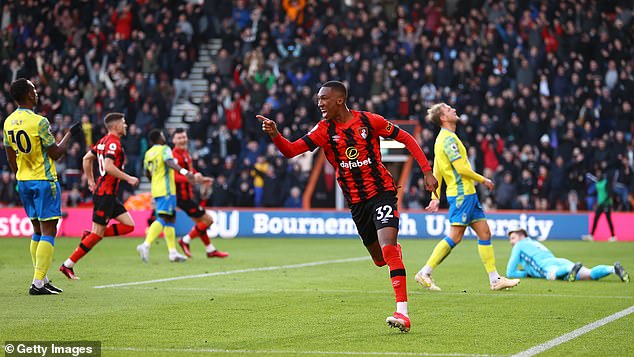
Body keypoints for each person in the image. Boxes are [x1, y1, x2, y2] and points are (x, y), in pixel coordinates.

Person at [258, 80, 438, 333]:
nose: (319, 103)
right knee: (379, 259)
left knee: (388, 250)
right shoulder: (323, 130)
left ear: (340, 99)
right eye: (318, 99)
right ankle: (392, 251)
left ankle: (403, 312)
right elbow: (291, 151)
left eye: (324, 98)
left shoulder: (369, 121)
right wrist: (275, 134)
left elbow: (406, 138)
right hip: (356, 202)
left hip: (382, 193)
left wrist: (427, 172)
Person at [416, 103, 520, 292]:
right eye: (448, 109)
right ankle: (425, 272)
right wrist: (484, 179)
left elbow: (437, 170)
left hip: (467, 194)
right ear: (443, 118)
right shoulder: (448, 140)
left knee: (484, 233)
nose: (454, 109)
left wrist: (435, 196)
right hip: (462, 194)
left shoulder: (443, 139)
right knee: (455, 237)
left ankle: (495, 279)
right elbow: (461, 169)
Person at [3, 78, 80, 295]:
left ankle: (42, 278)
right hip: (44, 181)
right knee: (49, 229)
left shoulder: (8, 122)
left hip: (24, 180)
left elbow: (10, 159)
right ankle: (37, 284)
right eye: (34, 90)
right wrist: (70, 134)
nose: (36, 93)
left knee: (36, 229)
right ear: (28, 94)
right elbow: (55, 153)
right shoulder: (40, 122)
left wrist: (22, 170)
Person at [59, 113, 140, 280]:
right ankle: (67, 265)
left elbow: (87, 158)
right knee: (97, 235)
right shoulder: (113, 143)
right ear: (116, 126)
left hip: (109, 194)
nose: (125, 126)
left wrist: (90, 180)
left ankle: (90, 235)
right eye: (123, 123)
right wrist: (128, 178)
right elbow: (109, 167)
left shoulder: (103, 141)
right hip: (104, 194)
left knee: (129, 225)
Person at [171, 128, 229, 258]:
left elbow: (191, 171)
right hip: (182, 197)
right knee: (209, 220)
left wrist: (201, 178)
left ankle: (210, 250)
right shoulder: (174, 156)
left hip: (188, 194)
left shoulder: (186, 153)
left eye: (184, 137)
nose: (182, 140)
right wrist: (192, 178)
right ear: (174, 140)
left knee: (200, 224)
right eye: (179, 138)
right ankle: (184, 240)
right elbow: (173, 177)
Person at [136, 129, 192, 263]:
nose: (164, 137)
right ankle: (146, 245)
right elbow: (170, 163)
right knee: (164, 217)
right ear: (159, 138)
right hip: (167, 190)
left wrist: (155, 181)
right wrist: (184, 172)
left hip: (156, 189)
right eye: (162, 135)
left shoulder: (148, 153)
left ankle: (172, 252)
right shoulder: (165, 149)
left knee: (171, 219)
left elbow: (146, 172)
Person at [507, 227, 629, 282]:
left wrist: (527, 274)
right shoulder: (534, 243)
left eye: (513, 238)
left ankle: (571, 269)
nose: (511, 242)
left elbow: (510, 272)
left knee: (552, 275)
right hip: (558, 260)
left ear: (522, 236)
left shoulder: (519, 245)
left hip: (546, 265)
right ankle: (612, 269)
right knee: (589, 274)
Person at [582, 170, 617, 242]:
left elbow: (609, 194)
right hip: (600, 204)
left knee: (608, 219)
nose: (598, 175)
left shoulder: (606, 182)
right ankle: (591, 235)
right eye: (597, 174)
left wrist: (604, 202)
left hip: (606, 204)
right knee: (595, 219)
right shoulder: (597, 183)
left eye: (599, 173)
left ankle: (613, 236)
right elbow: (597, 193)